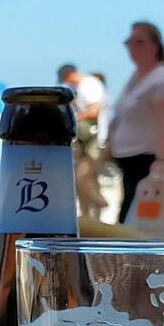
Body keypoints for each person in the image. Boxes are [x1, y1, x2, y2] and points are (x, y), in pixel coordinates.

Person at [105, 20, 164, 229]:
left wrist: (162, 160)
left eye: (139, 42)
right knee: (130, 220)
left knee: (141, 223)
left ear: (155, 45)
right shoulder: (137, 77)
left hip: (149, 160)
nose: (133, 48)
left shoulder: (162, 78)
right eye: (130, 43)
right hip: (130, 160)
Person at [59, 63, 108, 220]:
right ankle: (89, 217)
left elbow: (94, 111)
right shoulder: (82, 88)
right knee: (88, 179)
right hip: (86, 142)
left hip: (95, 142)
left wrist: (74, 118)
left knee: (82, 178)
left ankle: (100, 202)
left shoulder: (88, 85)